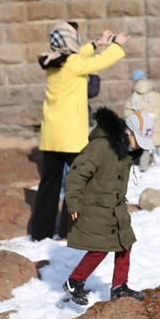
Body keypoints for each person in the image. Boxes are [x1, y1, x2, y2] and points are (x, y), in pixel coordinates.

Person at [30, 21, 127, 241]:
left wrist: (95, 43)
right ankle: (69, 229)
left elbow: (76, 55)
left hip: (51, 136)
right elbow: (98, 62)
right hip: (70, 137)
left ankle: (40, 232)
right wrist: (116, 46)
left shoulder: (53, 62)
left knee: (48, 186)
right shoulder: (73, 64)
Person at [62, 108, 154, 305]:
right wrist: (73, 203)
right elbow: (77, 174)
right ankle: (74, 281)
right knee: (100, 247)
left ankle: (119, 286)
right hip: (94, 206)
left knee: (125, 244)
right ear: (128, 132)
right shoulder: (101, 146)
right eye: (139, 140)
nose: (139, 147)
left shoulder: (124, 150)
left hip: (114, 207)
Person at [123, 69, 160, 171]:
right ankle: (157, 161)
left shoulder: (132, 98)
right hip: (157, 127)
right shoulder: (157, 96)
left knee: (144, 148)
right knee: (156, 144)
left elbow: (127, 115)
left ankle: (143, 167)